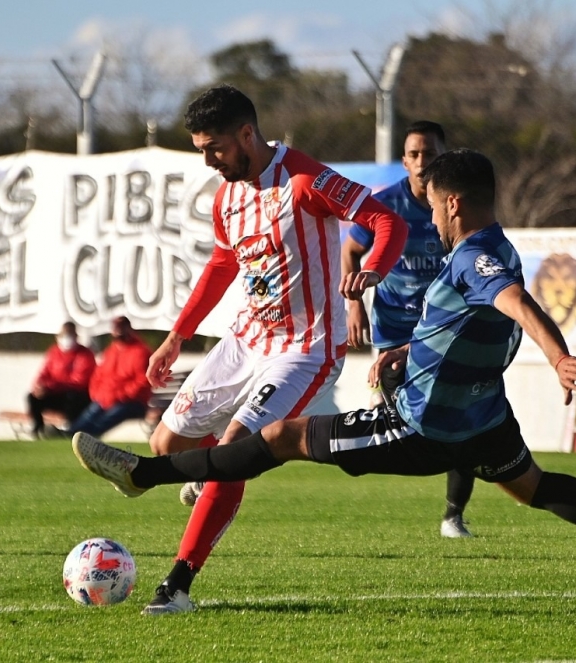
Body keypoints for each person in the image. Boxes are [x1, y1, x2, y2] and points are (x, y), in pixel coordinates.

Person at [72, 148, 576, 608]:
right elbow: (472, 318)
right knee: (535, 487)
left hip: (421, 425)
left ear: (454, 204)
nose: (432, 216)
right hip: (484, 421)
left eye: (434, 206)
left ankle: (144, 475)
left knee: (279, 437)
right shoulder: (500, 247)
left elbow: (516, 303)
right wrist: (409, 349)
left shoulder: (475, 257)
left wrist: (558, 356)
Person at [135, 84, 408, 615]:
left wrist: (373, 269)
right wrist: (176, 336)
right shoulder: (226, 197)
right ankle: (209, 472)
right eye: (201, 150)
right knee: (166, 443)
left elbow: (385, 221)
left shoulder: (305, 180)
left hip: (305, 348)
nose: (209, 161)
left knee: (235, 449)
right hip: (245, 340)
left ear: (246, 134)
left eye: (214, 148)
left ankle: (177, 585)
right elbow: (222, 265)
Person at [343, 120, 476, 539]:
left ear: (443, 158)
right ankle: (379, 410)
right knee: (398, 427)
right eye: (414, 155)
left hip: (441, 331)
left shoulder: (458, 206)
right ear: (404, 161)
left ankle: (454, 516)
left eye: (429, 154)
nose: (421, 162)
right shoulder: (385, 205)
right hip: (393, 330)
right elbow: (351, 249)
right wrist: (354, 304)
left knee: (462, 419)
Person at [66, 316, 151, 438]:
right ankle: (71, 433)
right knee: (91, 413)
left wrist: (119, 395)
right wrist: (97, 394)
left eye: (122, 328)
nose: (118, 331)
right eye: (116, 328)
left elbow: (143, 381)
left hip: (131, 402)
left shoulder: (141, 352)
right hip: (106, 399)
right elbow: (98, 375)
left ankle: (86, 436)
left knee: (107, 417)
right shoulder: (111, 351)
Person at [27, 321, 95, 438]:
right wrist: (38, 386)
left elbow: (79, 381)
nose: (67, 338)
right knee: (32, 397)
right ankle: (38, 428)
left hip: (76, 396)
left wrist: (51, 386)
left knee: (72, 397)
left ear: (76, 336)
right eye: (64, 335)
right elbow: (44, 373)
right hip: (56, 394)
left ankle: (71, 431)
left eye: (70, 335)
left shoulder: (85, 354)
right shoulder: (54, 352)